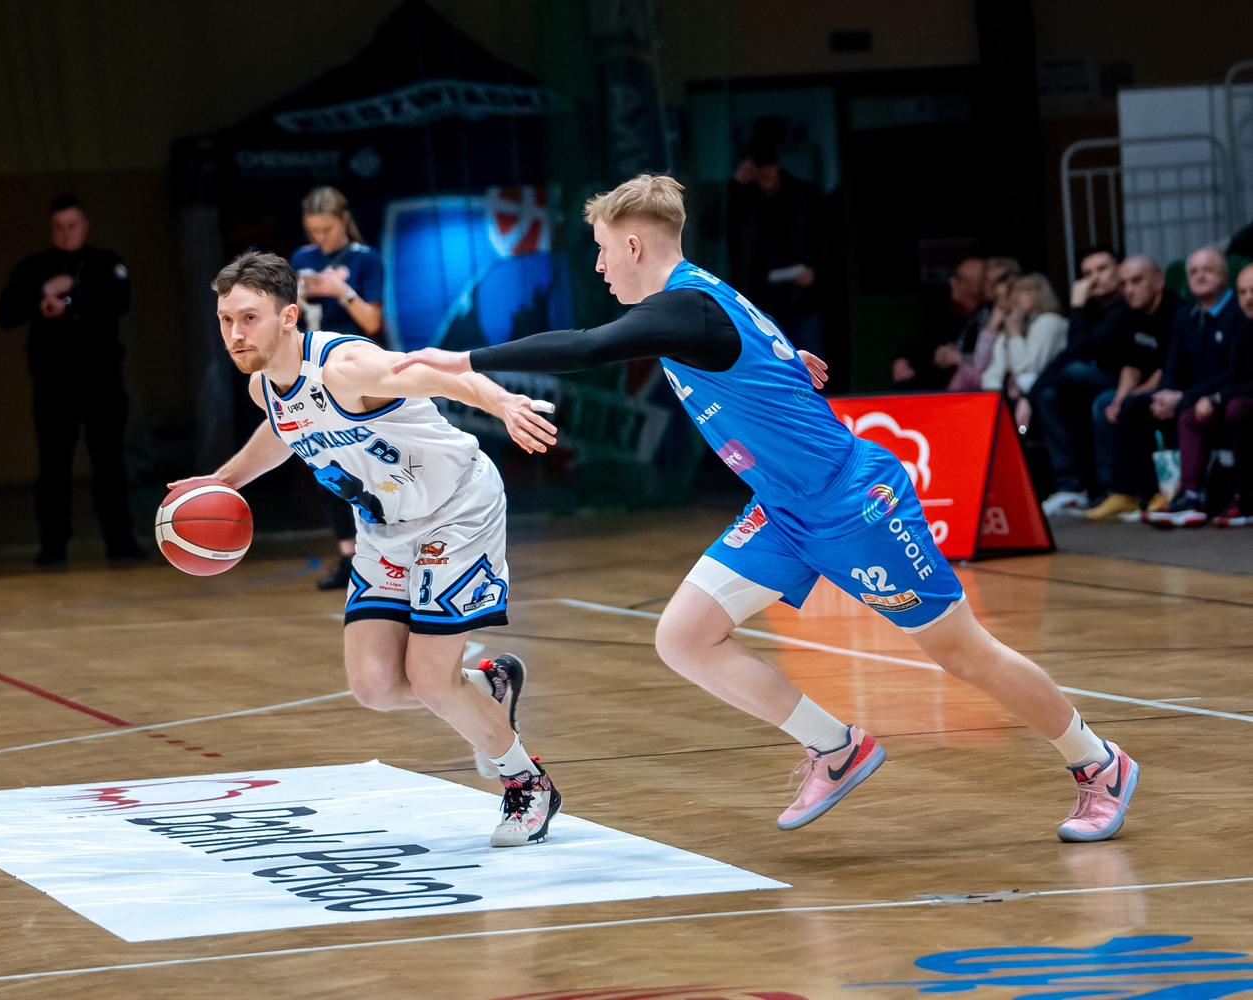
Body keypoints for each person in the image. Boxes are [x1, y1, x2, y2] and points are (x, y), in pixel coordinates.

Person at [397, 174, 1139, 843]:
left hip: (852, 506)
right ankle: (836, 747)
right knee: (684, 636)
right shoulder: (698, 300)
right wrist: (785, 365)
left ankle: (1097, 760)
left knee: (961, 653)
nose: (598, 266)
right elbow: (761, 353)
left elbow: (588, 346)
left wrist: (459, 361)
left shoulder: (683, 306)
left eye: (601, 250)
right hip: (785, 508)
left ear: (633, 245)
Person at [173, 250, 564, 847]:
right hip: (385, 529)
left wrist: (502, 402)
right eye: (226, 319)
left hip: (456, 509)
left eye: (249, 318)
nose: (235, 333)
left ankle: (528, 784)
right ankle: (490, 686)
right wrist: (223, 482)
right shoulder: (263, 388)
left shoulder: (346, 367)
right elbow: (284, 428)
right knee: (375, 687)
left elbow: (437, 373)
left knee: (431, 681)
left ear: (288, 317)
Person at [0, 195, 142, 569]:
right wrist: (41, 296)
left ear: (85, 225)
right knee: (54, 465)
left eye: (72, 225)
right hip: (54, 383)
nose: (65, 233)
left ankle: (120, 541)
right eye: (58, 227)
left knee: (109, 461)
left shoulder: (106, 262)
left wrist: (72, 298)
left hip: (102, 380)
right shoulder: (34, 267)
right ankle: (53, 545)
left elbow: (119, 301)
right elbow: (4, 313)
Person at [290, 187, 388, 591]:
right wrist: (298, 297)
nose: (320, 238)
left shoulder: (366, 258)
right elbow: (292, 319)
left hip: (356, 367)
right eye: (314, 230)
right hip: (314, 370)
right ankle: (349, 557)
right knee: (326, 465)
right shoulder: (302, 258)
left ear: (344, 220)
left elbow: (372, 322)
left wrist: (340, 291)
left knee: (368, 464)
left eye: (327, 229)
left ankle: (382, 555)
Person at [1144, 247, 1243, 526]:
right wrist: (1163, 396)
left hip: (1225, 394)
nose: (1199, 276)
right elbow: (1172, 364)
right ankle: (1168, 495)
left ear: (1224, 275)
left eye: (1207, 270)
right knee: (1141, 408)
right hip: (1195, 397)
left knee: (1194, 410)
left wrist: (1184, 396)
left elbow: (1234, 373)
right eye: (1193, 271)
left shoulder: (1239, 311)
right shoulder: (1185, 313)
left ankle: (1204, 494)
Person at [1032, 248, 1130, 515]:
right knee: (1049, 396)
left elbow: (1077, 351)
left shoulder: (1126, 305)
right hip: (1096, 384)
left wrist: (1076, 305)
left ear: (1119, 270)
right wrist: (1033, 393)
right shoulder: (1093, 308)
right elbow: (1067, 355)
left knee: (1075, 371)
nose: (1094, 278)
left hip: (1128, 384)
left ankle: (1105, 489)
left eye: (1102, 269)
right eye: (1087, 273)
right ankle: (1070, 487)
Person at [1084, 257, 1181, 521]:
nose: (1129, 289)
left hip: (1174, 386)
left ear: (1159, 281)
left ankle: (1141, 491)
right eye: (1124, 284)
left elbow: (1167, 369)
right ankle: (1114, 490)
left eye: (1137, 281)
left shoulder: (1175, 311)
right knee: (1104, 404)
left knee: (1134, 407)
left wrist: (1131, 398)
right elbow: (1131, 365)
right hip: (1145, 387)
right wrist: (1119, 398)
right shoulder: (1131, 314)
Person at [726, 137, 826, 356]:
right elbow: (721, 233)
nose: (765, 178)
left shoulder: (803, 194)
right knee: (767, 367)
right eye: (759, 173)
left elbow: (823, 239)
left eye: (768, 171)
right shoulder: (743, 200)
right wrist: (737, 186)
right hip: (759, 303)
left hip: (800, 300)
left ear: (776, 165)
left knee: (810, 367)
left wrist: (814, 270)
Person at [981, 272, 1068, 430]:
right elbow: (993, 372)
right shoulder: (1020, 325)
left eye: (1024, 290)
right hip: (1016, 398)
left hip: (1045, 394)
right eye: (1014, 291)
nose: (1016, 296)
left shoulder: (1049, 321)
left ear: (1040, 294)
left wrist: (1014, 334)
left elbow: (1026, 371)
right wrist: (994, 401)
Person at [892, 257, 987, 390]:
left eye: (960, 278)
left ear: (979, 287)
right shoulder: (954, 318)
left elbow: (990, 362)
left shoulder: (989, 318)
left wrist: (959, 359)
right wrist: (903, 360)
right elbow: (924, 345)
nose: (952, 281)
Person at [1207, 263, 1253, 526]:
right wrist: (1208, 397)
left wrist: (1220, 397)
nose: (1248, 298)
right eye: (1242, 292)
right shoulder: (1242, 326)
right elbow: (1233, 374)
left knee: (1236, 408)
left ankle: (1244, 495)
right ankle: (1190, 496)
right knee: (1192, 411)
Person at [943, 257, 1021, 392]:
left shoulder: (1020, 315)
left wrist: (959, 358)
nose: (990, 285)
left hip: (1006, 386)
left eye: (998, 281)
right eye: (986, 279)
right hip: (989, 384)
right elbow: (980, 361)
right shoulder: (984, 312)